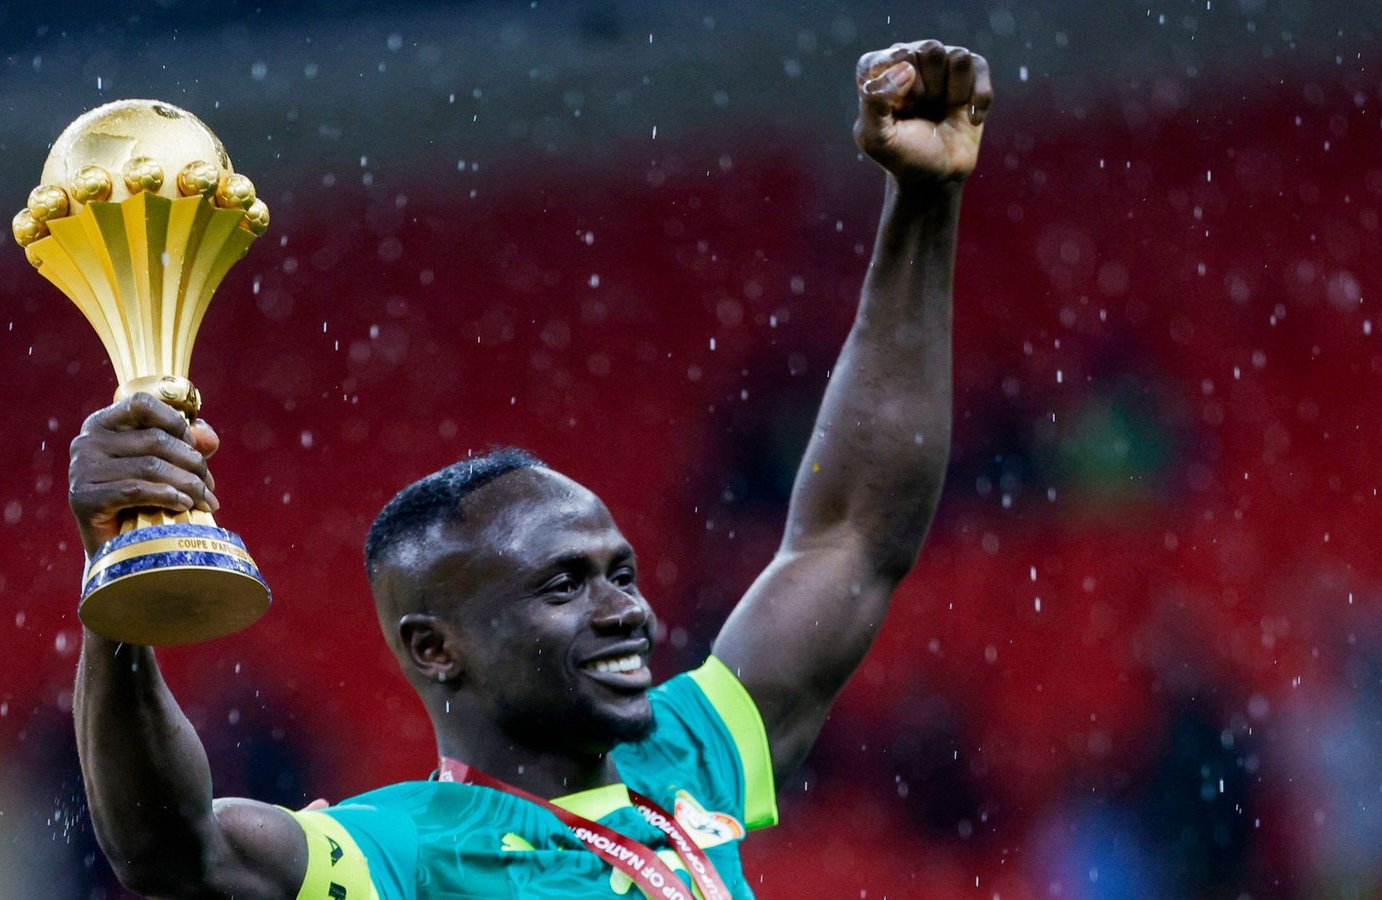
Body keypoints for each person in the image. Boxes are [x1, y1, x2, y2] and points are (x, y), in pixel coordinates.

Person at [69, 39, 992, 899]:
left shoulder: (690, 756)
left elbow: (853, 536)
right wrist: (121, 576)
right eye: (565, 584)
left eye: (620, 573)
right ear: (436, 648)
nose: (626, 608)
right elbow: (174, 848)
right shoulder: (398, 852)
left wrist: (924, 202)